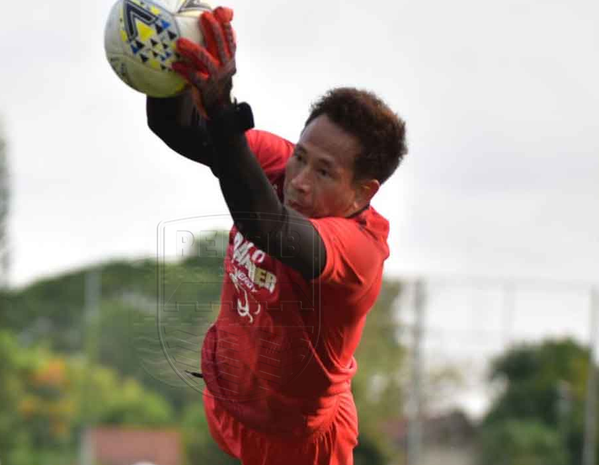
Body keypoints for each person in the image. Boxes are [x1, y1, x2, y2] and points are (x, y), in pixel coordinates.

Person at [146, 7, 407, 465]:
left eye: (324, 172)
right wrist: (170, 61)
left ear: (363, 192)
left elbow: (267, 226)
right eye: (301, 156)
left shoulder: (359, 251)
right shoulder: (280, 166)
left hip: (302, 443)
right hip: (235, 405)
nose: (299, 180)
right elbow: (177, 128)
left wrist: (223, 108)